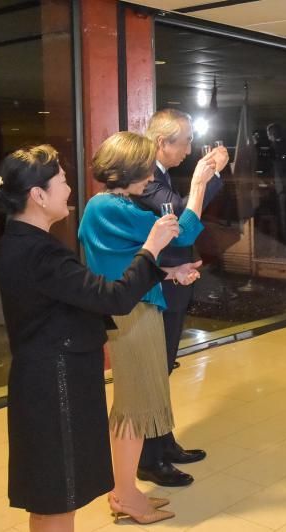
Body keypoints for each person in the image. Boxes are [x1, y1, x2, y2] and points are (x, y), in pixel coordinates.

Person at [0, 145, 180, 531]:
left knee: (53, 494)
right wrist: (152, 249)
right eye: (61, 181)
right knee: (58, 497)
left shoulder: (20, 243)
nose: (68, 189)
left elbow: (83, 295)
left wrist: (164, 273)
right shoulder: (41, 253)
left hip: (42, 379)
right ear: (38, 196)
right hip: (55, 386)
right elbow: (113, 298)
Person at [78, 132, 216, 523]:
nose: (149, 179)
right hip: (133, 316)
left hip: (137, 308)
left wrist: (171, 271)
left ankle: (126, 491)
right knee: (134, 408)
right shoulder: (110, 206)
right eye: (145, 170)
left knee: (133, 406)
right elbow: (185, 230)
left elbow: (123, 264)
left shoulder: (105, 206)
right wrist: (200, 183)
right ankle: (123, 495)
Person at [133, 109, 228, 487]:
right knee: (154, 372)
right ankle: (148, 458)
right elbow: (184, 219)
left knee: (165, 366)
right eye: (185, 140)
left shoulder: (162, 174)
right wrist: (208, 177)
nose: (190, 148)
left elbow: (188, 204)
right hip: (156, 286)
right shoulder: (145, 179)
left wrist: (211, 177)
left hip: (174, 280)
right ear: (161, 142)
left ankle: (164, 442)